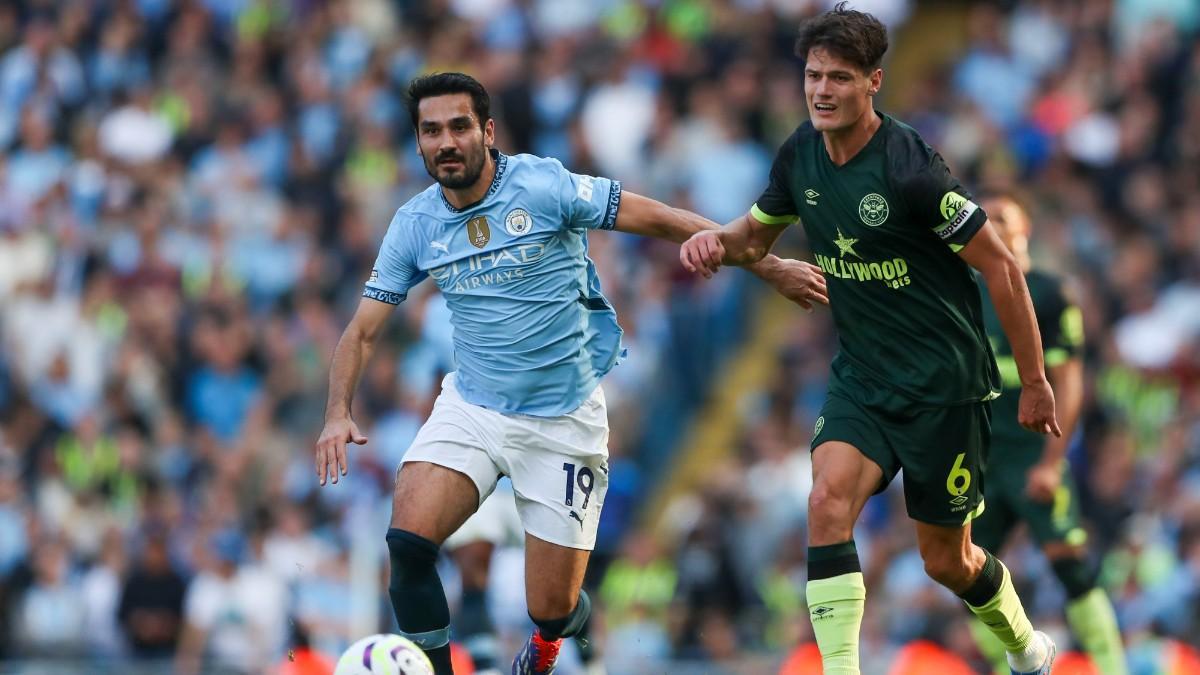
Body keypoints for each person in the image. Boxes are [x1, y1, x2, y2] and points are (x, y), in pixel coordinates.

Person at [314, 72, 828, 675]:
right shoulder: (415, 224)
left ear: (487, 131)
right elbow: (362, 330)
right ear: (419, 143)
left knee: (550, 607)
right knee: (407, 543)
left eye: (458, 126)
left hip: (563, 421)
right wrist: (335, 413)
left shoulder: (543, 184)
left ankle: (561, 638)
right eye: (431, 131)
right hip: (474, 407)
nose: (446, 142)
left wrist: (770, 268)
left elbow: (661, 219)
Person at [679, 5, 1060, 674]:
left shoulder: (910, 166)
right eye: (814, 76)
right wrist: (718, 241)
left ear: (874, 82)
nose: (822, 91)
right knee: (826, 499)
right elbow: (755, 235)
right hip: (863, 375)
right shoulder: (800, 153)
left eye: (840, 78)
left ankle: (1027, 645)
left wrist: (1033, 379)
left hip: (945, 386)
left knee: (948, 559)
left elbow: (1000, 264)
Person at [968, 193, 1127, 675]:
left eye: (1002, 218)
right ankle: (1016, 662)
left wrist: (1051, 463)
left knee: (1068, 561)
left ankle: (1111, 666)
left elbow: (1070, 384)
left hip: (1031, 454)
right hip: (980, 459)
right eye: (984, 219)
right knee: (964, 573)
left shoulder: (1051, 292)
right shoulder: (966, 292)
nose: (992, 226)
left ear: (1025, 229)